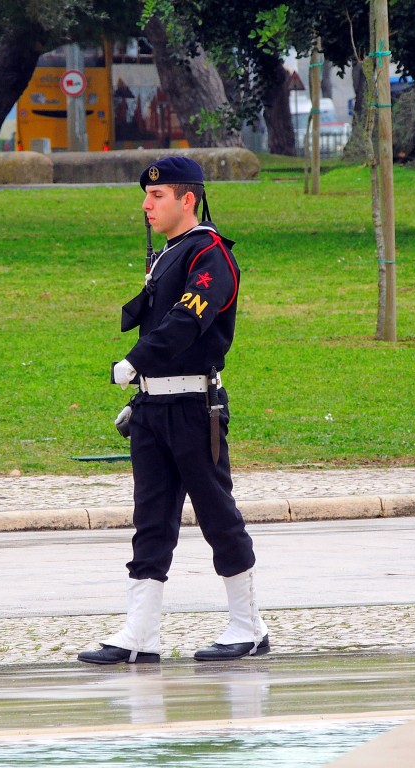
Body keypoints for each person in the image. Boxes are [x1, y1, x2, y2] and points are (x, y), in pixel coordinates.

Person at [77, 156, 268, 665]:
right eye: (146, 195)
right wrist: (142, 387)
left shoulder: (211, 254)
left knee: (216, 514)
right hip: (153, 406)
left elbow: (187, 320)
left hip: (193, 407)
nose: (146, 204)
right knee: (151, 520)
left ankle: (249, 626)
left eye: (157, 196)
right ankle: (140, 634)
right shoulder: (170, 255)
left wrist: (135, 361)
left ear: (188, 199)